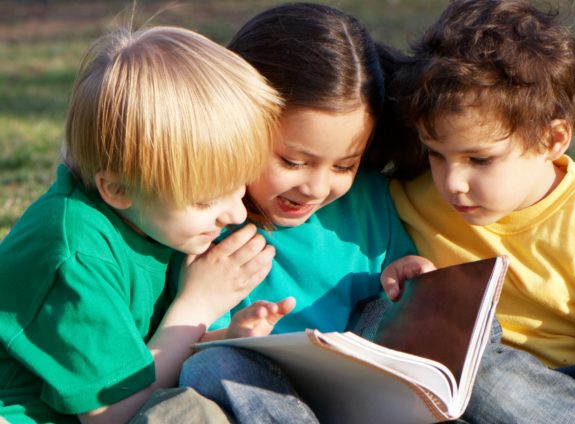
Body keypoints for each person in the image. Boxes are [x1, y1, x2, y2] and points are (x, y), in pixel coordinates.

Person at [0, 25, 282, 423]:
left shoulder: (153, 218)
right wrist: (196, 307)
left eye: (238, 188)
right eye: (204, 200)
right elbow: (114, 412)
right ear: (117, 188)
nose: (235, 214)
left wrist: (225, 337)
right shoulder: (75, 253)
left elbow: (144, 350)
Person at [381, 0, 575, 422]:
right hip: (456, 393)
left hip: (567, 391)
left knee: (479, 372)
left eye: (480, 160)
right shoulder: (412, 194)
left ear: (552, 139)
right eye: (437, 154)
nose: (452, 182)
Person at [177, 3, 433, 423]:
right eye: (293, 162)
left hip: (357, 390)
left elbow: (395, 287)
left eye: (343, 165)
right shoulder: (206, 219)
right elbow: (193, 340)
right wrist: (235, 335)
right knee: (211, 363)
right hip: (265, 395)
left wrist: (409, 271)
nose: (315, 188)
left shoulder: (369, 199)